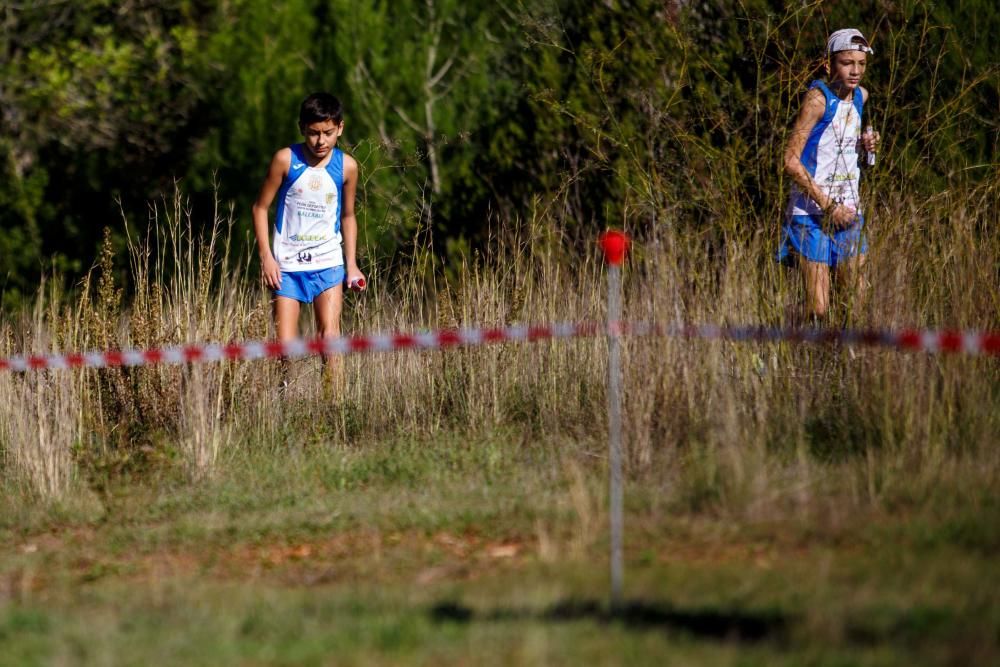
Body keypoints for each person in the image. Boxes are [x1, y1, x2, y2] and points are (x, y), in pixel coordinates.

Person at [252, 92, 365, 384]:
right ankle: (284, 405)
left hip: (328, 264)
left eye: (328, 133)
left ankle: (334, 408)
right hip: (287, 266)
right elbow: (260, 207)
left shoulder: (348, 167)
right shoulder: (285, 160)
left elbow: (348, 216)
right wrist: (267, 257)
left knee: (330, 339)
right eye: (313, 133)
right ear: (302, 127)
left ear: (340, 127)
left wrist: (351, 264)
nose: (320, 141)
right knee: (285, 349)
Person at [778, 29, 880, 322]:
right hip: (811, 214)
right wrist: (828, 205)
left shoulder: (861, 96)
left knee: (854, 305)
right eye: (847, 63)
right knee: (818, 308)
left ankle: (840, 363)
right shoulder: (817, 100)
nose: (856, 71)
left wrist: (866, 146)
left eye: (861, 63)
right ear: (829, 64)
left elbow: (846, 149)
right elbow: (790, 161)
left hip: (849, 211)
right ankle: (781, 327)